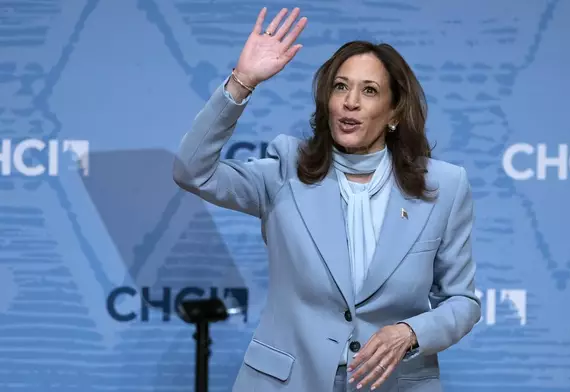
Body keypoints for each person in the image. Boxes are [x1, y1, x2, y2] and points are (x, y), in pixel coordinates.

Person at [173, 7, 481, 392]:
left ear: (394, 113)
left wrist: (410, 331)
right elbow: (191, 171)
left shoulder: (444, 186)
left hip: (393, 383)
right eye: (340, 86)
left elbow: (462, 302)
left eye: (369, 91)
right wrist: (242, 82)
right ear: (327, 101)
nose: (350, 101)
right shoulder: (286, 169)